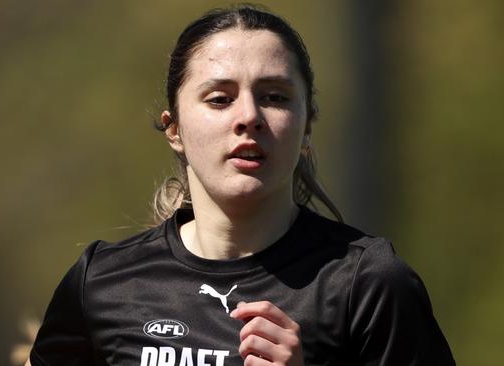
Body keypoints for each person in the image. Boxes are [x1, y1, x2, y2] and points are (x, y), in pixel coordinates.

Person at [27, 5, 455, 366]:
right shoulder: (101, 283)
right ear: (173, 128)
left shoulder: (369, 285)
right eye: (219, 98)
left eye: (274, 96)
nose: (249, 116)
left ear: (307, 129)